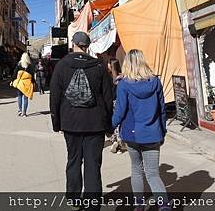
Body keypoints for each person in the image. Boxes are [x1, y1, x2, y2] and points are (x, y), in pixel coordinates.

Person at [49, 31, 114, 208]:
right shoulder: (99, 66)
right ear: (88, 45)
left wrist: (57, 123)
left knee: (73, 160)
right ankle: (93, 202)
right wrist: (109, 126)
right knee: (93, 163)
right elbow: (108, 98)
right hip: (95, 123)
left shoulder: (62, 66)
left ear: (73, 44)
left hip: (70, 122)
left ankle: (74, 198)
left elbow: (54, 96)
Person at [111, 49, 169, 211]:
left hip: (131, 134)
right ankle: (164, 206)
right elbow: (162, 109)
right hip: (153, 134)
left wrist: (109, 127)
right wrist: (162, 131)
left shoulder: (123, 85)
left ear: (127, 64)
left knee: (136, 170)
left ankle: (139, 205)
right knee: (153, 174)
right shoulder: (155, 82)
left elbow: (120, 112)